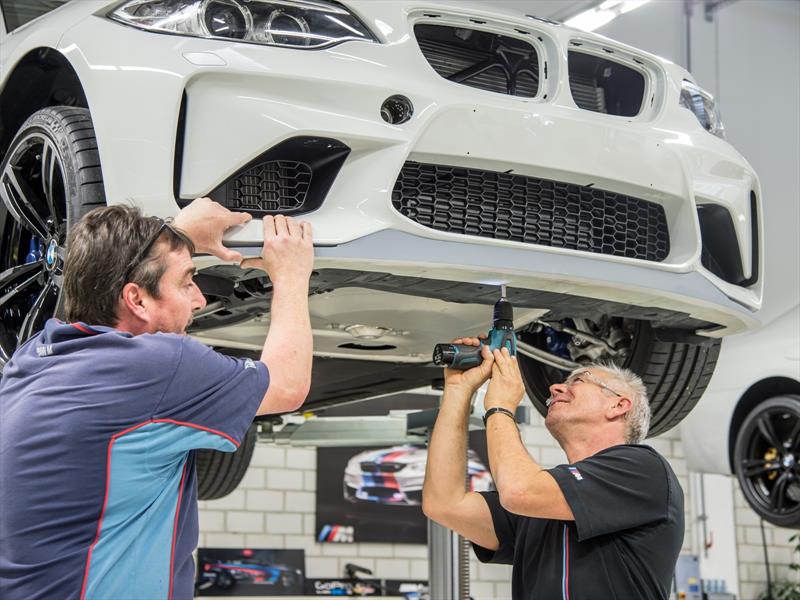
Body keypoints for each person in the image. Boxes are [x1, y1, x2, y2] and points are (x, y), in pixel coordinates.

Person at [0, 198, 314, 600]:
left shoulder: (30, 361)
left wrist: (176, 238)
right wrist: (291, 274)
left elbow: (99, 271)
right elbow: (287, 385)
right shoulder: (158, 367)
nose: (200, 300)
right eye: (187, 282)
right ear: (137, 299)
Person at [422, 340, 684, 600]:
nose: (555, 387)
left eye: (579, 381)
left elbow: (520, 491)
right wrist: (457, 391)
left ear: (618, 405)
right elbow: (444, 504)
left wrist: (500, 407)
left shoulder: (643, 471)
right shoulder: (544, 502)